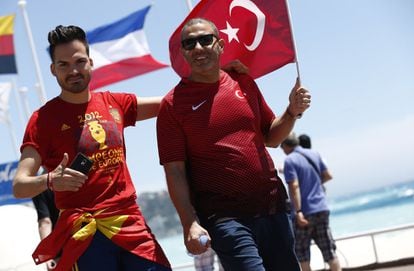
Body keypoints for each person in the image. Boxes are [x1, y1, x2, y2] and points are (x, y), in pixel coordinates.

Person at [13, 25, 171, 271]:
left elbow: (170, 104)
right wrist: (51, 180)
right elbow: (20, 185)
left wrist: (216, 75)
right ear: (53, 70)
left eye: (79, 61)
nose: (73, 70)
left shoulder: (116, 103)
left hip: (131, 226)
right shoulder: (42, 120)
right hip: (85, 237)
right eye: (63, 64)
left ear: (91, 62)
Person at [156, 18, 311, 270]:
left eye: (205, 40)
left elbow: (271, 138)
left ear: (220, 44)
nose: (198, 48)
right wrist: (189, 223)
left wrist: (292, 111)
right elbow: (174, 171)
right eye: (189, 43)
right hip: (224, 216)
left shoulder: (244, 82)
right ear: (183, 52)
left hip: (272, 205)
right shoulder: (172, 106)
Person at [280, 132, 341, 271]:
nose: (282, 150)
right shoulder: (314, 154)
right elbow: (327, 175)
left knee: (302, 254)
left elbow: (294, 185)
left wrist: (299, 211)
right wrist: (314, 186)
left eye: (281, 146)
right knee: (329, 250)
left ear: (286, 145)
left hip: (305, 211)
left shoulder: (290, 160)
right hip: (321, 207)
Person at [32, 187, 59, 270]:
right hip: (86, 239)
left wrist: (47, 256)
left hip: (60, 251)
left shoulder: (39, 186)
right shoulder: (79, 177)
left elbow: (45, 222)